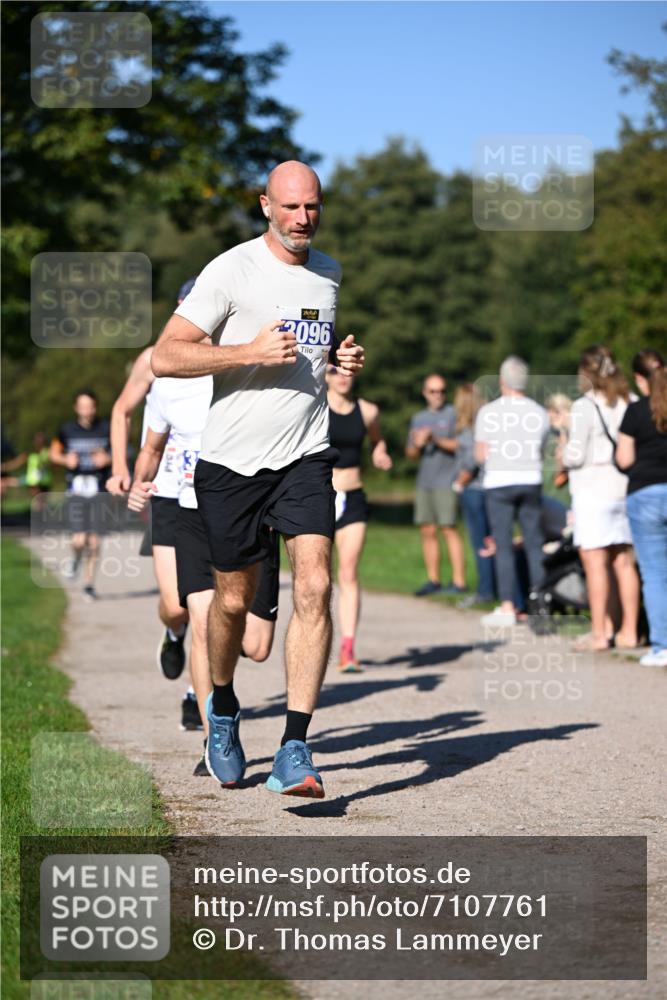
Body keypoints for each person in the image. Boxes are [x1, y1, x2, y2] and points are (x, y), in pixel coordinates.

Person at [151, 160, 364, 798]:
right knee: (234, 603)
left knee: (315, 585)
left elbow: (309, 350)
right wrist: (246, 352)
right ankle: (221, 707)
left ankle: (295, 746)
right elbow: (167, 354)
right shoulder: (230, 270)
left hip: (305, 454)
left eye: (314, 208)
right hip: (231, 464)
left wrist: (338, 358)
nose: (304, 220)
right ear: (266, 205)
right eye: (291, 208)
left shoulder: (328, 274)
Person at [127, 373, 280, 777]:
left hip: (251, 514)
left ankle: (214, 671)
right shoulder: (167, 381)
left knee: (257, 644)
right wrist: (139, 482)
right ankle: (216, 734)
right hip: (188, 509)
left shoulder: (252, 371)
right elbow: (151, 446)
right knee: (200, 621)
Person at [107, 279, 201, 730]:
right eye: (189, 305)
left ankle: (196, 695)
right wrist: (123, 470)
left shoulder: (223, 354)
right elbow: (122, 410)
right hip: (165, 482)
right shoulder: (153, 358)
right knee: (178, 605)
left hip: (213, 490)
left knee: (211, 606)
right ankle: (171, 632)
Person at [561, 345, 640, 651]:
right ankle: (628, 631)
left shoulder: (584, 406)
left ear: (586, 372)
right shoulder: (630, 400)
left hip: (592, 489)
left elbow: (575, 454)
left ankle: (599, 633)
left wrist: (561, 453)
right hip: (624, 485)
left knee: (595, 564)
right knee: (623, 561)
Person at [474, 356, 550, 628]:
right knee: (533, 543)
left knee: (503, 545)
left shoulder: (488, 412)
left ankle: (508, 605)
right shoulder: (539, 412)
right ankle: (541, 602)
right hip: (530, 479)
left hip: (499, 483)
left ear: (503, 380)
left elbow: (481, 455)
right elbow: (542, 450)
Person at [327, 369, 392, 672]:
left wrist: (380, 452)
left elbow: (378, 440)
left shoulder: (367, 411)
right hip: (318, 498)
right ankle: (317, 640)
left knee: (349, 573)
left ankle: (348, 650)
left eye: (347, 372)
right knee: (318, 578)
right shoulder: (313, 406)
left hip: (352, 498)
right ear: (324, 376)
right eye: (333, 371)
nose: (341, 377)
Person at [616, 350, 667, 667]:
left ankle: (662, 645)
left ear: (638, 378)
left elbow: (624, 460)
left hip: (645, 494)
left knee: (655, 573)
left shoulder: (635, 412)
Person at [406, 374, 466, 597]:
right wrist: (418, 444)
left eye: (441, 391)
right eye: (432, 391)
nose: (437, 395)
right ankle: (434, 580)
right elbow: (411, 454)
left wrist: (435, 439)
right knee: (427, 530)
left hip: (447, 480)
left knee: (449, 528)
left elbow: (462, 445)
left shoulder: (453, 414)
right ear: (424, 393)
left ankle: (459, 582)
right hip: (425, 481)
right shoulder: (418, 418)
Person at [50, 390, 111, 600]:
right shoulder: (66, 430)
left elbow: (124, 452)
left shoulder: (107, 428)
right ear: (76, 408)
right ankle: (75, 559)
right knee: (78, 540)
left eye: (90, 406)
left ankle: (88, 584)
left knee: (94, 541)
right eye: (82, 406)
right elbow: (53, 453)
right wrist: (66, 460)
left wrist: (108, 459)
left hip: (99, 489)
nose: (86, 410)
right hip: (75, 489)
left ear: (95, 407)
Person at [452, 384, 496, 607]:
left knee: (480, 542)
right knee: (491, 541)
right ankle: (494, 587)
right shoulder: (488, 424)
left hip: (475, 490)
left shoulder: (470, 429)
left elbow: (471, 461)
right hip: (489, 489)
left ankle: (485, 590)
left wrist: (458, 484)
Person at [23, 431, 52, 509]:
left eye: (41, 439)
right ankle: (36, 516)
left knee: (43, 502)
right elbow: (19, 462)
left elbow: (54, 465)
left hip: (45, 480)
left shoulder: (48, 452)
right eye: (37, 439)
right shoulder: (29, 452)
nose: (39, 441)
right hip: (33, 481)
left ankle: (41, 516)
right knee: (37, 501)